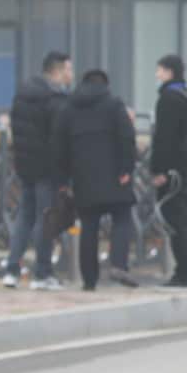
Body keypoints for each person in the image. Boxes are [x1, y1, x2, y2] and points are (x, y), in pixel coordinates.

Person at [52, 69, 139, 291]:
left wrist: (63, 179)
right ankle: (118, 263)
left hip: (83, 179)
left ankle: (89, 281)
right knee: (121, 217)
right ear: (105, 85)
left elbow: (59, 147)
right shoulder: (114, 104)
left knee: (89, 227)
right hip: (115, 176)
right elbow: (127, 137)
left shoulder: (69, 109)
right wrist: (126, 168)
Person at [3, 51, 73, 290]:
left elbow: (16, 130)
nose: (71, 74)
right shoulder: (55, 98)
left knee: (25, 216)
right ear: (58, 71)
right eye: (68, 69)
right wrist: (64, 173)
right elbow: (59, 139)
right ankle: (42, 273)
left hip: (25, 166)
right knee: (46, 218)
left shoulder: (22, 94)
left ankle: (11, 269)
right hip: (48, 169)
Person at [151, 53, 187, 287]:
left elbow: (164, 139)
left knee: (175, 219)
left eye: (160, 70)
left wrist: (159, 170)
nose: (157, 75)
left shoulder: (169, 99)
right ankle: (186, 271)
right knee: (184, 217)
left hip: (174, 170)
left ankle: (181, 273)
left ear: (169, 72)